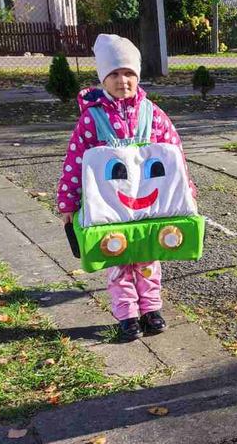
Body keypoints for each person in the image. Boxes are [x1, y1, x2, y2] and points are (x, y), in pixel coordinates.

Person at [56, 34, 195, 341]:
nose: (123, 80)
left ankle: (151, 309)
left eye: (129, 73)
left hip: (148, 204)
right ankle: (127, 314)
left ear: (138, 76)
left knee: (147, 255)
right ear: (103, 79)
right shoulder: (92, 120)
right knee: (118, 258)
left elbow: (174, 155)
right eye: (115, 74)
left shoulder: (153, 115)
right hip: (111, 206)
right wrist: (68, 202)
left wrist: (186, 189)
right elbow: (76, 160)